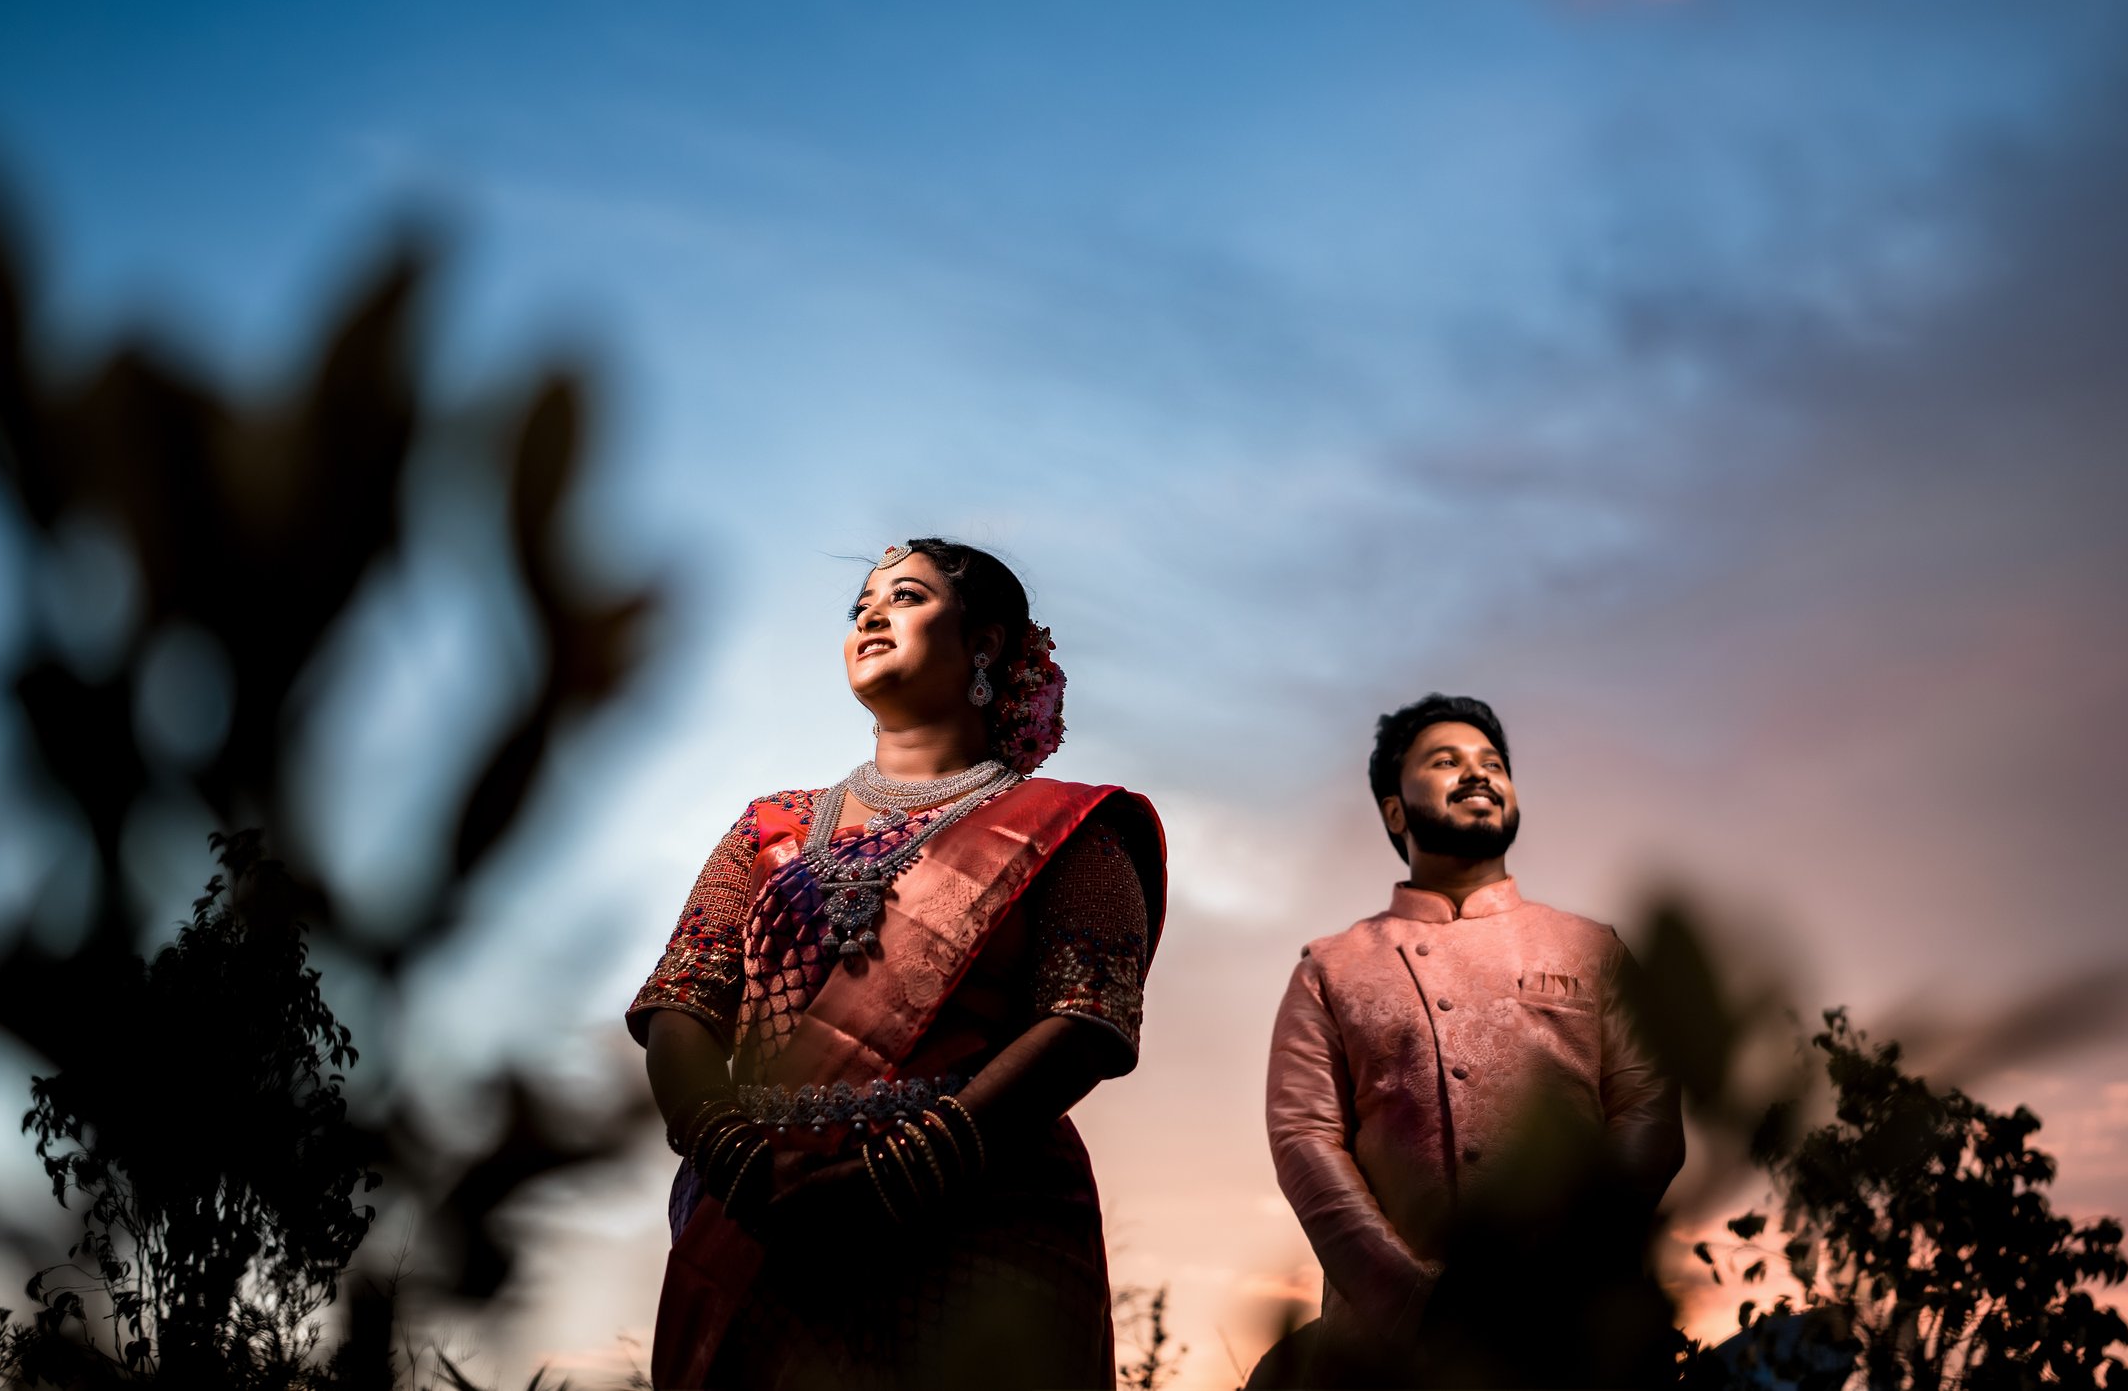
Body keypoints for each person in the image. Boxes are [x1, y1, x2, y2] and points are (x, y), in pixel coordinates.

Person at [627, 539, 1166, 1391]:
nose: (873, 613)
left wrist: (904, 1169)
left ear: (985, 644)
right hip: (761, 1213)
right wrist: (728, 1149)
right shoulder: (769, 825)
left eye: (907, 596)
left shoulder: (1073, 827)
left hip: (976, 1215)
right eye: (862, 604)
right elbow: (679, 1002)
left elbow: (1086, 1020)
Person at [1256, 693, 1684, 1386]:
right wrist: (1412, 1302)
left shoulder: (1592, 949)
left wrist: (1573, 1268)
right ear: (1394, 810)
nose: (1479, 773)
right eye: (1446, 760)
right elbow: (1304, 1139)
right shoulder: (1329, 967)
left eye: (1493, 763)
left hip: (1577, 1338)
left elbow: (1649, 1110)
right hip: (1387, 1354)